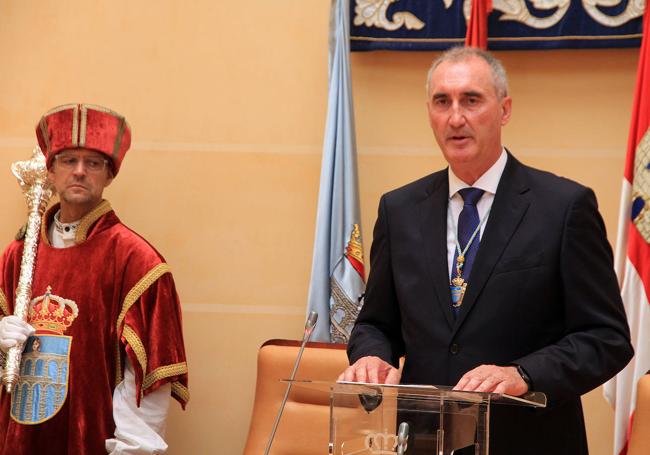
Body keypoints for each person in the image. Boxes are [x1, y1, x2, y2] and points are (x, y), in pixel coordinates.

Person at [339, 47, 633, 454]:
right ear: (429, 112)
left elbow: (607, 338)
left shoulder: (563, 207)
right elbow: (376, 324)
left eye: (471, 100)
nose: (455, 117)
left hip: (529, 440)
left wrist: (523, 373)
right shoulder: (399, 210)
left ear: (505, 109)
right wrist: (372, 356)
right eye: (443, 102)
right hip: (425, 440)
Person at [0, 103, 189, 454]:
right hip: (19, 440)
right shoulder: (16, 256)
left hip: (92, 440)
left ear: (109, 175)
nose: (80, 172)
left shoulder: (137, 262)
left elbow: (146, 380)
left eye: (93, 163)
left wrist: (132, 448)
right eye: (69, 160)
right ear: (51, 170)